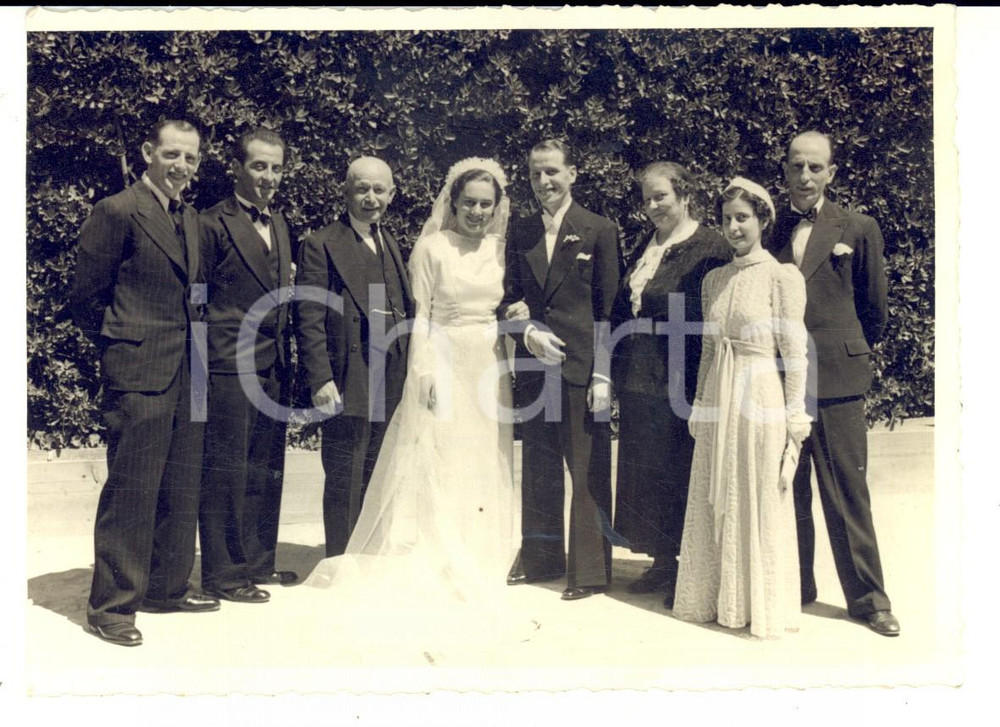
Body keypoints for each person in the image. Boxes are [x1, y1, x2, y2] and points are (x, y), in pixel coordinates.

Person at [296, 159, 529, 651]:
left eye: (486, 204)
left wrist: (518, 314)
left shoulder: (499, 249)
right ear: (454, 201)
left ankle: (477, 553)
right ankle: (405, 555)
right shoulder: (427, 247)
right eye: (469, 202)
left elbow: (511, 301)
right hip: (442, 361)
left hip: (487, 364)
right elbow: (419, 315)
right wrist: (422, 371)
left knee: (484, 458)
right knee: (438, 461)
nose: (478, 211)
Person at [71, 119, 220, 647]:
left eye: (192, 159)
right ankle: (111, 606)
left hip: (188, 369)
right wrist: (122, 349)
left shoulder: (194, 219)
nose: (182, 166)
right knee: (132, 489)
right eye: (173, 155)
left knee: (180, 487)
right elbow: (86, 295)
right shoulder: (117, 210)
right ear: (147, 153)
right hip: (140, 370)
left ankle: (166, 587)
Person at [767, 130, 898, 637]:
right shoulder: (770, 230)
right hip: (779, 379)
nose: (804, 177)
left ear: (831, 173)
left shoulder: (857, 227)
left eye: (814, 168)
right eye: (796, 166)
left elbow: (875, 310)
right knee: (787, 487)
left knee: (846, 491)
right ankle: (795, 587)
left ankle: (869, 599)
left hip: (838, 376)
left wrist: (841, 351)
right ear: (785, 171)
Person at [672, 177, 810, 639]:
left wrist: (794, 414)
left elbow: (794, 351)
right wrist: (700, 403)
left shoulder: (780, 276)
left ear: (763, 220)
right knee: (717, 490)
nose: (733, 227)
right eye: (727, 219)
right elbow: (711, 351)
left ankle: (759, 605)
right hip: (719, 396)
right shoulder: (714, 280)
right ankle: (718, 600)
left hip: (759, 395)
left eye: (743, 218)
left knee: (757, 492)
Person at [502, 139, 622, 601]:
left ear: (572, 173)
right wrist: (526, 332)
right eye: (535, 174)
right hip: (535, 369)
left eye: (552, 172)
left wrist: (603, 375)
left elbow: (609, 311)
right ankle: (541, 559)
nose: (544, 182)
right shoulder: (521, 231)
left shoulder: (598, 229)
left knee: (587, 469)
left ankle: (589, 572)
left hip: (582, 371)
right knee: (538, 466)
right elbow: (507, 297)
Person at [609, 162, 729, 606]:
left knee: (678, 470)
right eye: (646, 199)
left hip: (682, 374)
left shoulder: (710, 245)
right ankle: (662, 562)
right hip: (640, 376)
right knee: (647, 471)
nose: (653, 206)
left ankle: (688, 567)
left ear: (684, 195)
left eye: (661, 196)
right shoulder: (649, 244)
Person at [294, 156, 414, 558]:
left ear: (392, 195)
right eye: (362, 188)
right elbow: (308, 316)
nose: (371, 198)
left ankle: (369, 556)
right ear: (346, 192)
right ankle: (342, 563)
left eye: (380, 190)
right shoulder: (321, 244)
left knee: (378, 474)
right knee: (345, 477)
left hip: (391, 378)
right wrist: (320, 378)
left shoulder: (391, 244)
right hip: (350, 377)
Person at [197, 128, 297, 605]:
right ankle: (223, 574)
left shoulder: (279, 222)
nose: (268, 177)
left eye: (276, 168)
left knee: (264, 467)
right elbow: (196, 300)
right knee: (226, 472)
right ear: (236, 168)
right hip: (226, 366)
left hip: (272, 365)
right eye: (259, 166)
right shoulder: (211, 223)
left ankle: (258, 563)